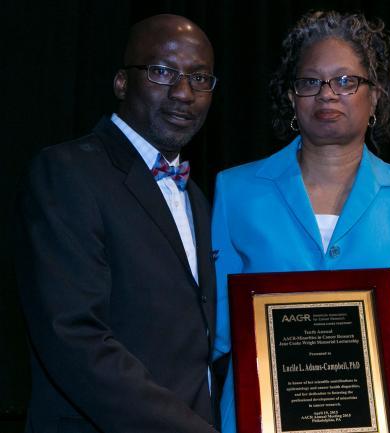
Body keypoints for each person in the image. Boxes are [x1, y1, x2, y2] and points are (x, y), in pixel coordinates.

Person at [211, 10, 390, 433]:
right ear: (291, 98)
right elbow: (216, 330)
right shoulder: (235, 191)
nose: (327, 94)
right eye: (310, 82)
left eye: (345, 81)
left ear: (375, 96)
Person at [14, 14, 219, 433]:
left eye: (200, 78)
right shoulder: (68, 172)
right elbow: (73, 336)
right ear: (122, 82)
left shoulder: (195, 196)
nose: (184, 93)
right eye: (163, 72)